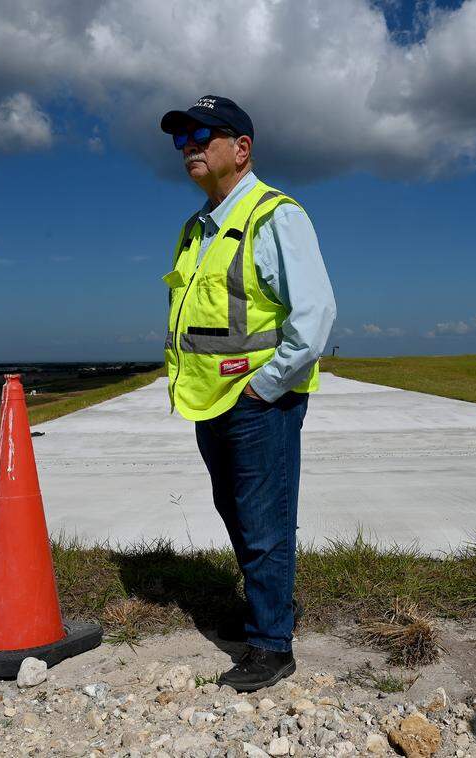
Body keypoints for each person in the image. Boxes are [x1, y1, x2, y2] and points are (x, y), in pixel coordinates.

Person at [159, 95, 336, 692]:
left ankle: (270, 645)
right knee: (235, 512)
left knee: (264, 523)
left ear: (241, 148)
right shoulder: (196, 229)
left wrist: (264, 385)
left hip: (260, 402)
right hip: (209, 399)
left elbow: (313, 318)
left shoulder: (275, 215)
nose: (190, 145)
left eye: (203, 134)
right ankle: (270, 610)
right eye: (182, 137)